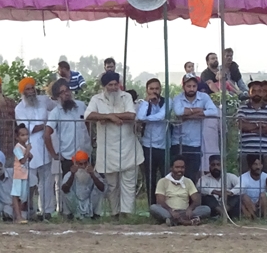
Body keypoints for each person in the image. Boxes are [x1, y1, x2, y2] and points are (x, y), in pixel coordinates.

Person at [85, 71, 142, 218]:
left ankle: (127, 214)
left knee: (128, 184)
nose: (114, 87)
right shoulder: (96, 99)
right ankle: (115, 213)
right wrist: (109, 116)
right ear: (104, 86)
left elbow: (131, 115)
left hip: (128, 147)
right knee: (112, 185)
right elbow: (88, 115)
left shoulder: (126, 96)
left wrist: (108, 118)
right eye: (110, 85)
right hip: (107, 149)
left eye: (116, 84)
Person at [46, 79, 90, 217]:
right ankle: (68, 212)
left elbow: (88, 124)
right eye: (62, 92)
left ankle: (85, 212)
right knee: (67, 186)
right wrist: (54, 154)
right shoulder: (55, 112)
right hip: (68, 156)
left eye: (67, 90)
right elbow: (46, 134)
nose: (66, 94)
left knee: (85, 184)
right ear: (57, 96)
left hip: (85, 154)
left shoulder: (81, 106)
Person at [14, 77, 53, 217]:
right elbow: (27, 129)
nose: (31, 91)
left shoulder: (44, 100)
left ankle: (47, 211)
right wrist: (46, 125)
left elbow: (56, 108)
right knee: (29, 182)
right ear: (22, 92)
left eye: (32, 88)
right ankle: (28, 212)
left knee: (46, 182)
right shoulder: (19, 108)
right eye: (27, 89)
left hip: (45, 146)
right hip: (29, 149)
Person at [171, 75, 219, 181]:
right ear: (183, 86)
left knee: (192, 176)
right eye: (188, 86)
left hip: (195, 143)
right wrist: (199, 111)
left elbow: (214, 111)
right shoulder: (178, 98)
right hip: (178, 142)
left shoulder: (204, 97)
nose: (191, 89)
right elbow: (179, 112)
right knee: (177, 175)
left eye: (194, 86)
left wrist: (187, 116)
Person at [137, 78, 169, 208]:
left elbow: (161, 116)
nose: (154, 91)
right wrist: (147, 102)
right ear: (147, 90)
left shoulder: (167, 102)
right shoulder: (143, 104)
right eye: (151, 89)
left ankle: (167, 206)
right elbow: (140, 117)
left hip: (164, 146)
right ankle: (152, 207)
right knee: (150, 178)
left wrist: (146, 119)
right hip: (148, 145)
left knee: (166, 178)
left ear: (160, 89)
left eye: (157, 88)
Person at [150, 157, 210, 226]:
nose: (180, 170)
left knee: (206, 209)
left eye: (182, 167)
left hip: (185, 211)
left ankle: (174, 221)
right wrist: (171, 211)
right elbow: (160, 201)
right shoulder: (163, 181)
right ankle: (185, 221)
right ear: (171, 168)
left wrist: (190, 209)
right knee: (153, 208)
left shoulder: (188, 181)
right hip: (168, 211)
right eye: (177, 167)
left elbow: (196, 200)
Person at [235, 80, 267, 174]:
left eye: (259, 91)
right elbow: (241, 125)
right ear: (249, 93)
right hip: (246, 151)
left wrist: (251, 128)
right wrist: (259, 125)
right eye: (254, 91)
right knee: (244, 179)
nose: (256, 93)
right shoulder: (242, 108)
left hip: (266, 151)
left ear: (262, 93)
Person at [60, 150, 105, 220]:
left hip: (90, 203)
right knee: (65, 192)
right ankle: (69, 215)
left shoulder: (93, 173)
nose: (83, 166)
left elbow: (102, 188)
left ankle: (96, 215)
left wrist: (92, 174)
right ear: (75, 164)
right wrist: (72, 174)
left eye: (85, 163)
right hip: (75, 203)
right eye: (80, 164)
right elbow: (65, 189)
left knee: (98, 189)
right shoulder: (69, 174)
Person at [197, 154, 241, 219]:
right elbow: (199, 187)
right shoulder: (204, 178)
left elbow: (241, 185)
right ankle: (222, 213)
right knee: (207, 197)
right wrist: (216, 192)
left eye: (218, 165)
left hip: (228, 205)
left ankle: (223, 213)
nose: (216, 167)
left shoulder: (230, 176)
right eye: (213, 165)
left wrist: (230, 192)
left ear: (222, 166)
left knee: (236, 197)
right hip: (213, 207)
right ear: (209, 166)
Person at [10, 123, 32, 224]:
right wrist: (27, 151)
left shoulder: (24, 147)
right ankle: (18, 216)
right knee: (16, 195)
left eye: (26, 134)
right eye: (22, 135)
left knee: (22, 196)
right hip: (18, 174)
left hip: (24, 174)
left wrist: (28, 153)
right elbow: (22, 161)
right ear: (17, 137)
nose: (25, 137)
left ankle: (19, 215)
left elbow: (29, 158)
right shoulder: (17, 148)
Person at [238, 154, 267, 219]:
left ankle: (265, 218)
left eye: (260, 164)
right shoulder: (242, 178)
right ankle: (254, 218)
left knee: (263, 195)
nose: (258, 167)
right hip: (249, 206)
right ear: (250, 165)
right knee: (244, 197)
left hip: (262, 205)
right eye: (255, 164)